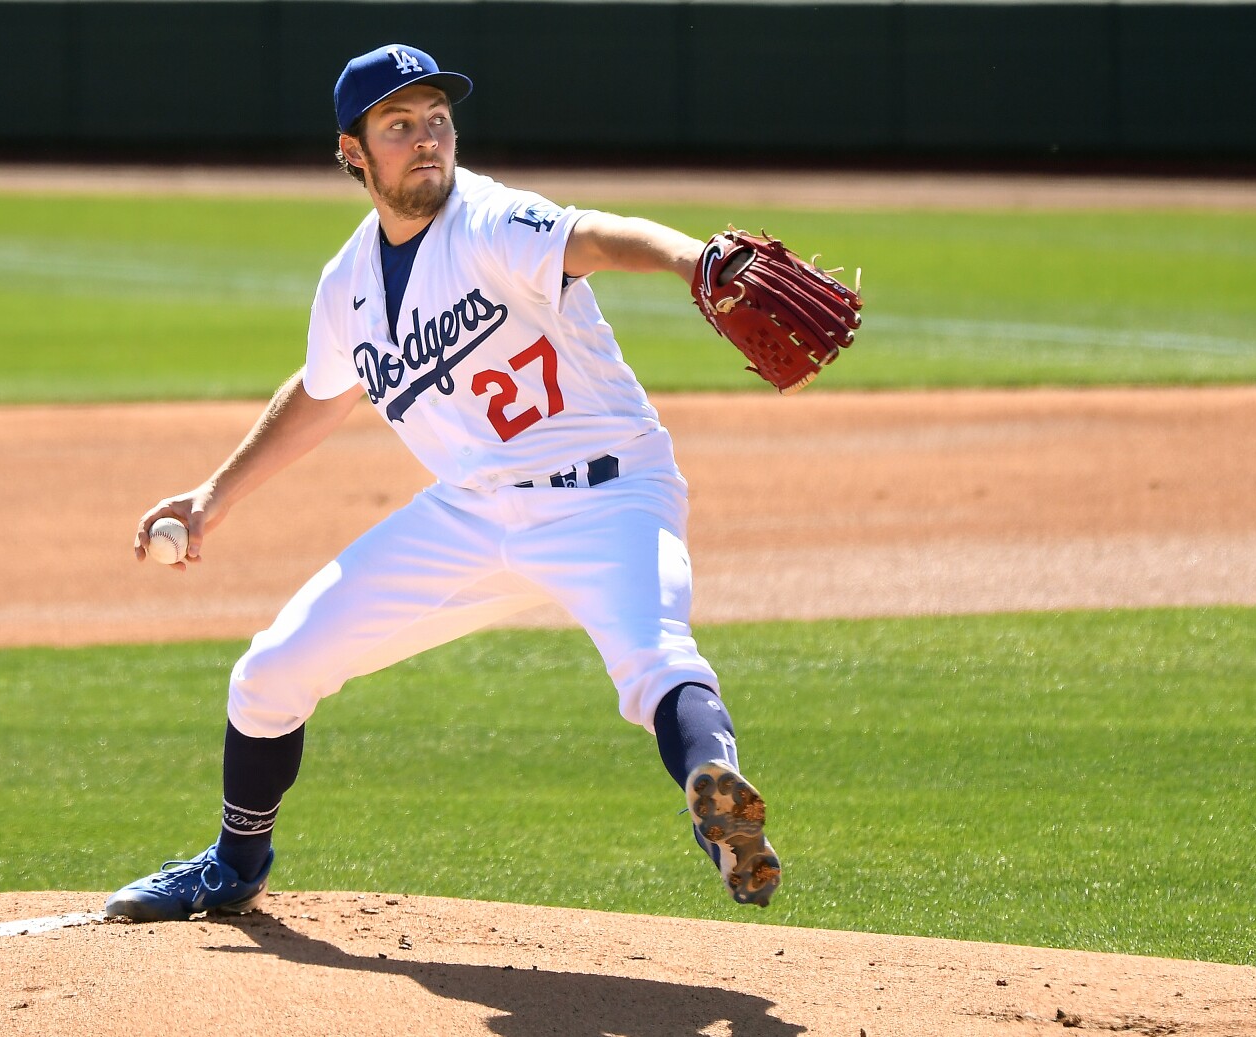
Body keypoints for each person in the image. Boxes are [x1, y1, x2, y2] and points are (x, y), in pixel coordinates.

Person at [104, 43, 780, 922]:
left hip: (608, 495)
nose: (427, 139)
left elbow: (599, 237)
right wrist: (212, 496)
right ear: (354, 153)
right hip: (469, 512)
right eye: (399, 125)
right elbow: (319, 391)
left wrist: (699, 261)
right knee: (269, 672)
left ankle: (713, 791)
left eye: (437, 120)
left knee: (656, 658)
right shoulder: (347, 280)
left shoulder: (494, 219)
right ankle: (235, 866)